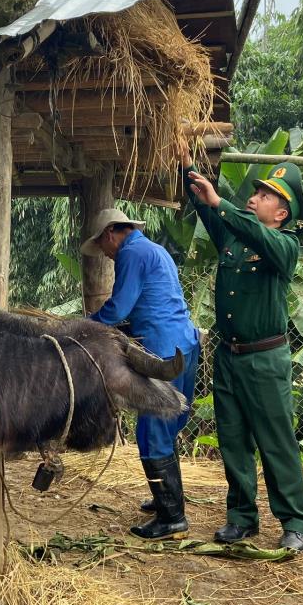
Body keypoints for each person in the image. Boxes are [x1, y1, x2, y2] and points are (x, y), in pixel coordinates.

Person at [178, 139, 303, 553]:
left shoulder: (284, 246)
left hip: (266, 360)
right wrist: (188, 168)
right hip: (229, 358)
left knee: (275, 440)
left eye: (264, 195)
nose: (254, 199)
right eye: (255, 193)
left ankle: (294, 521)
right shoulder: (235, 238)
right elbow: (208, 207)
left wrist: (222, 204)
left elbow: (242, 223)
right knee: (233, 439)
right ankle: (241, 518)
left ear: (282, 212)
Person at [81, 207, 200, 540]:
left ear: (109, 234)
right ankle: (166, 497)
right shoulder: (154, 249)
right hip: (184, 342)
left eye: (102, 246)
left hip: (161, 350)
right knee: (169, 423)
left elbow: (119, 307)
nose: (104, 254)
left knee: (153, 429)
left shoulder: (130, 254)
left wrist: (82, 326)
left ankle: (172, 517)